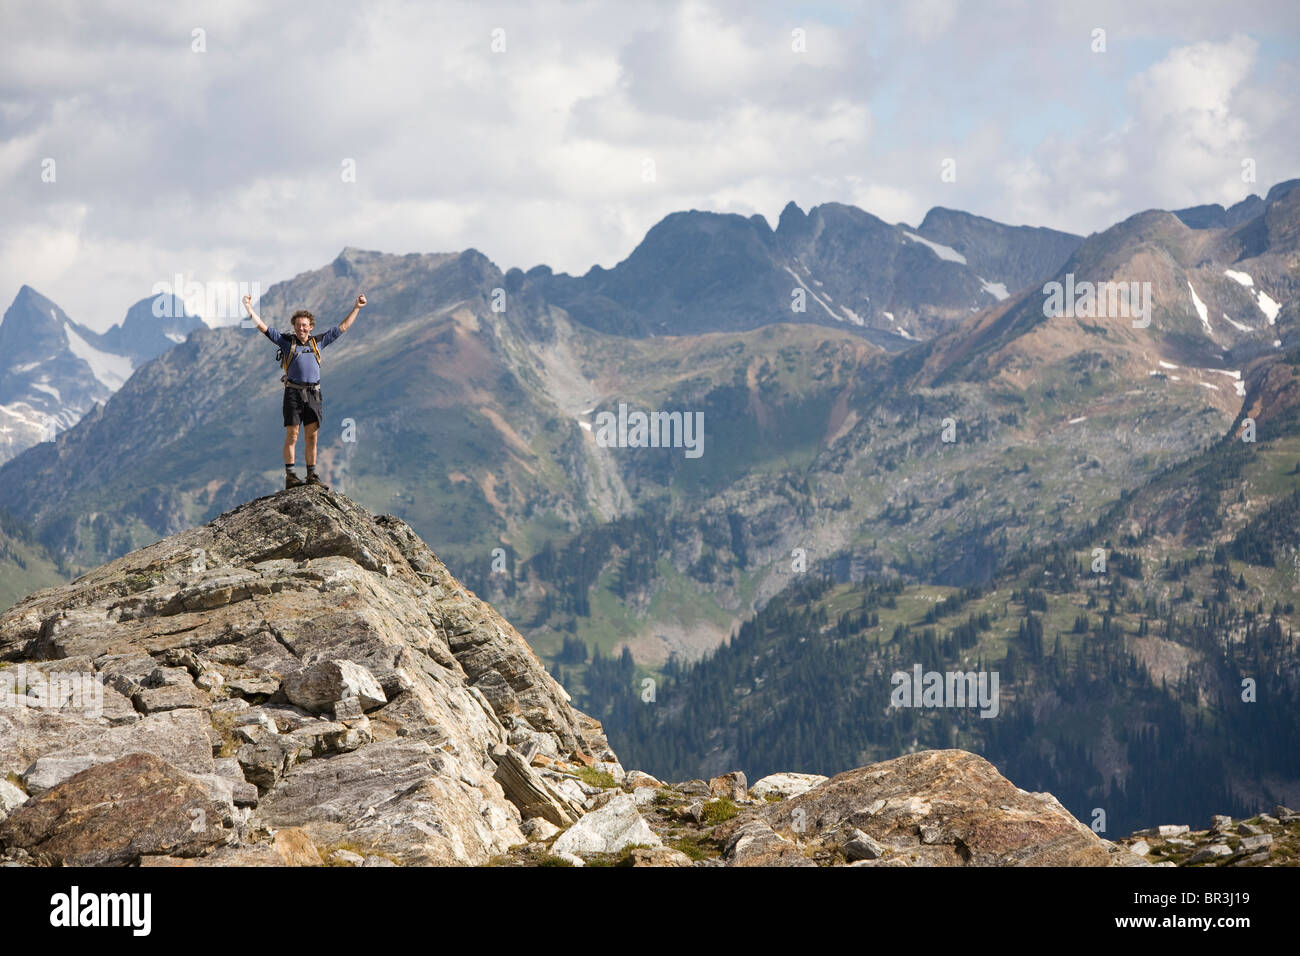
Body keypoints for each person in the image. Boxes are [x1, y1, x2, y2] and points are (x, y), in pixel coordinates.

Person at [242, 292, 366, 489]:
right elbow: (263, 327)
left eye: (305, 325)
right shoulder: (286, 342)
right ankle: (291, 476)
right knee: (292, 435)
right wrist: (249, 308)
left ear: (311, 327)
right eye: (298, 325)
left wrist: (357, 308)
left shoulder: (318, 342)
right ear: (294, 326)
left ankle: (311, 475)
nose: (301, 328)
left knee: (312, 436)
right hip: (293, 393)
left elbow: (343, 327)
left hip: (314, 394)